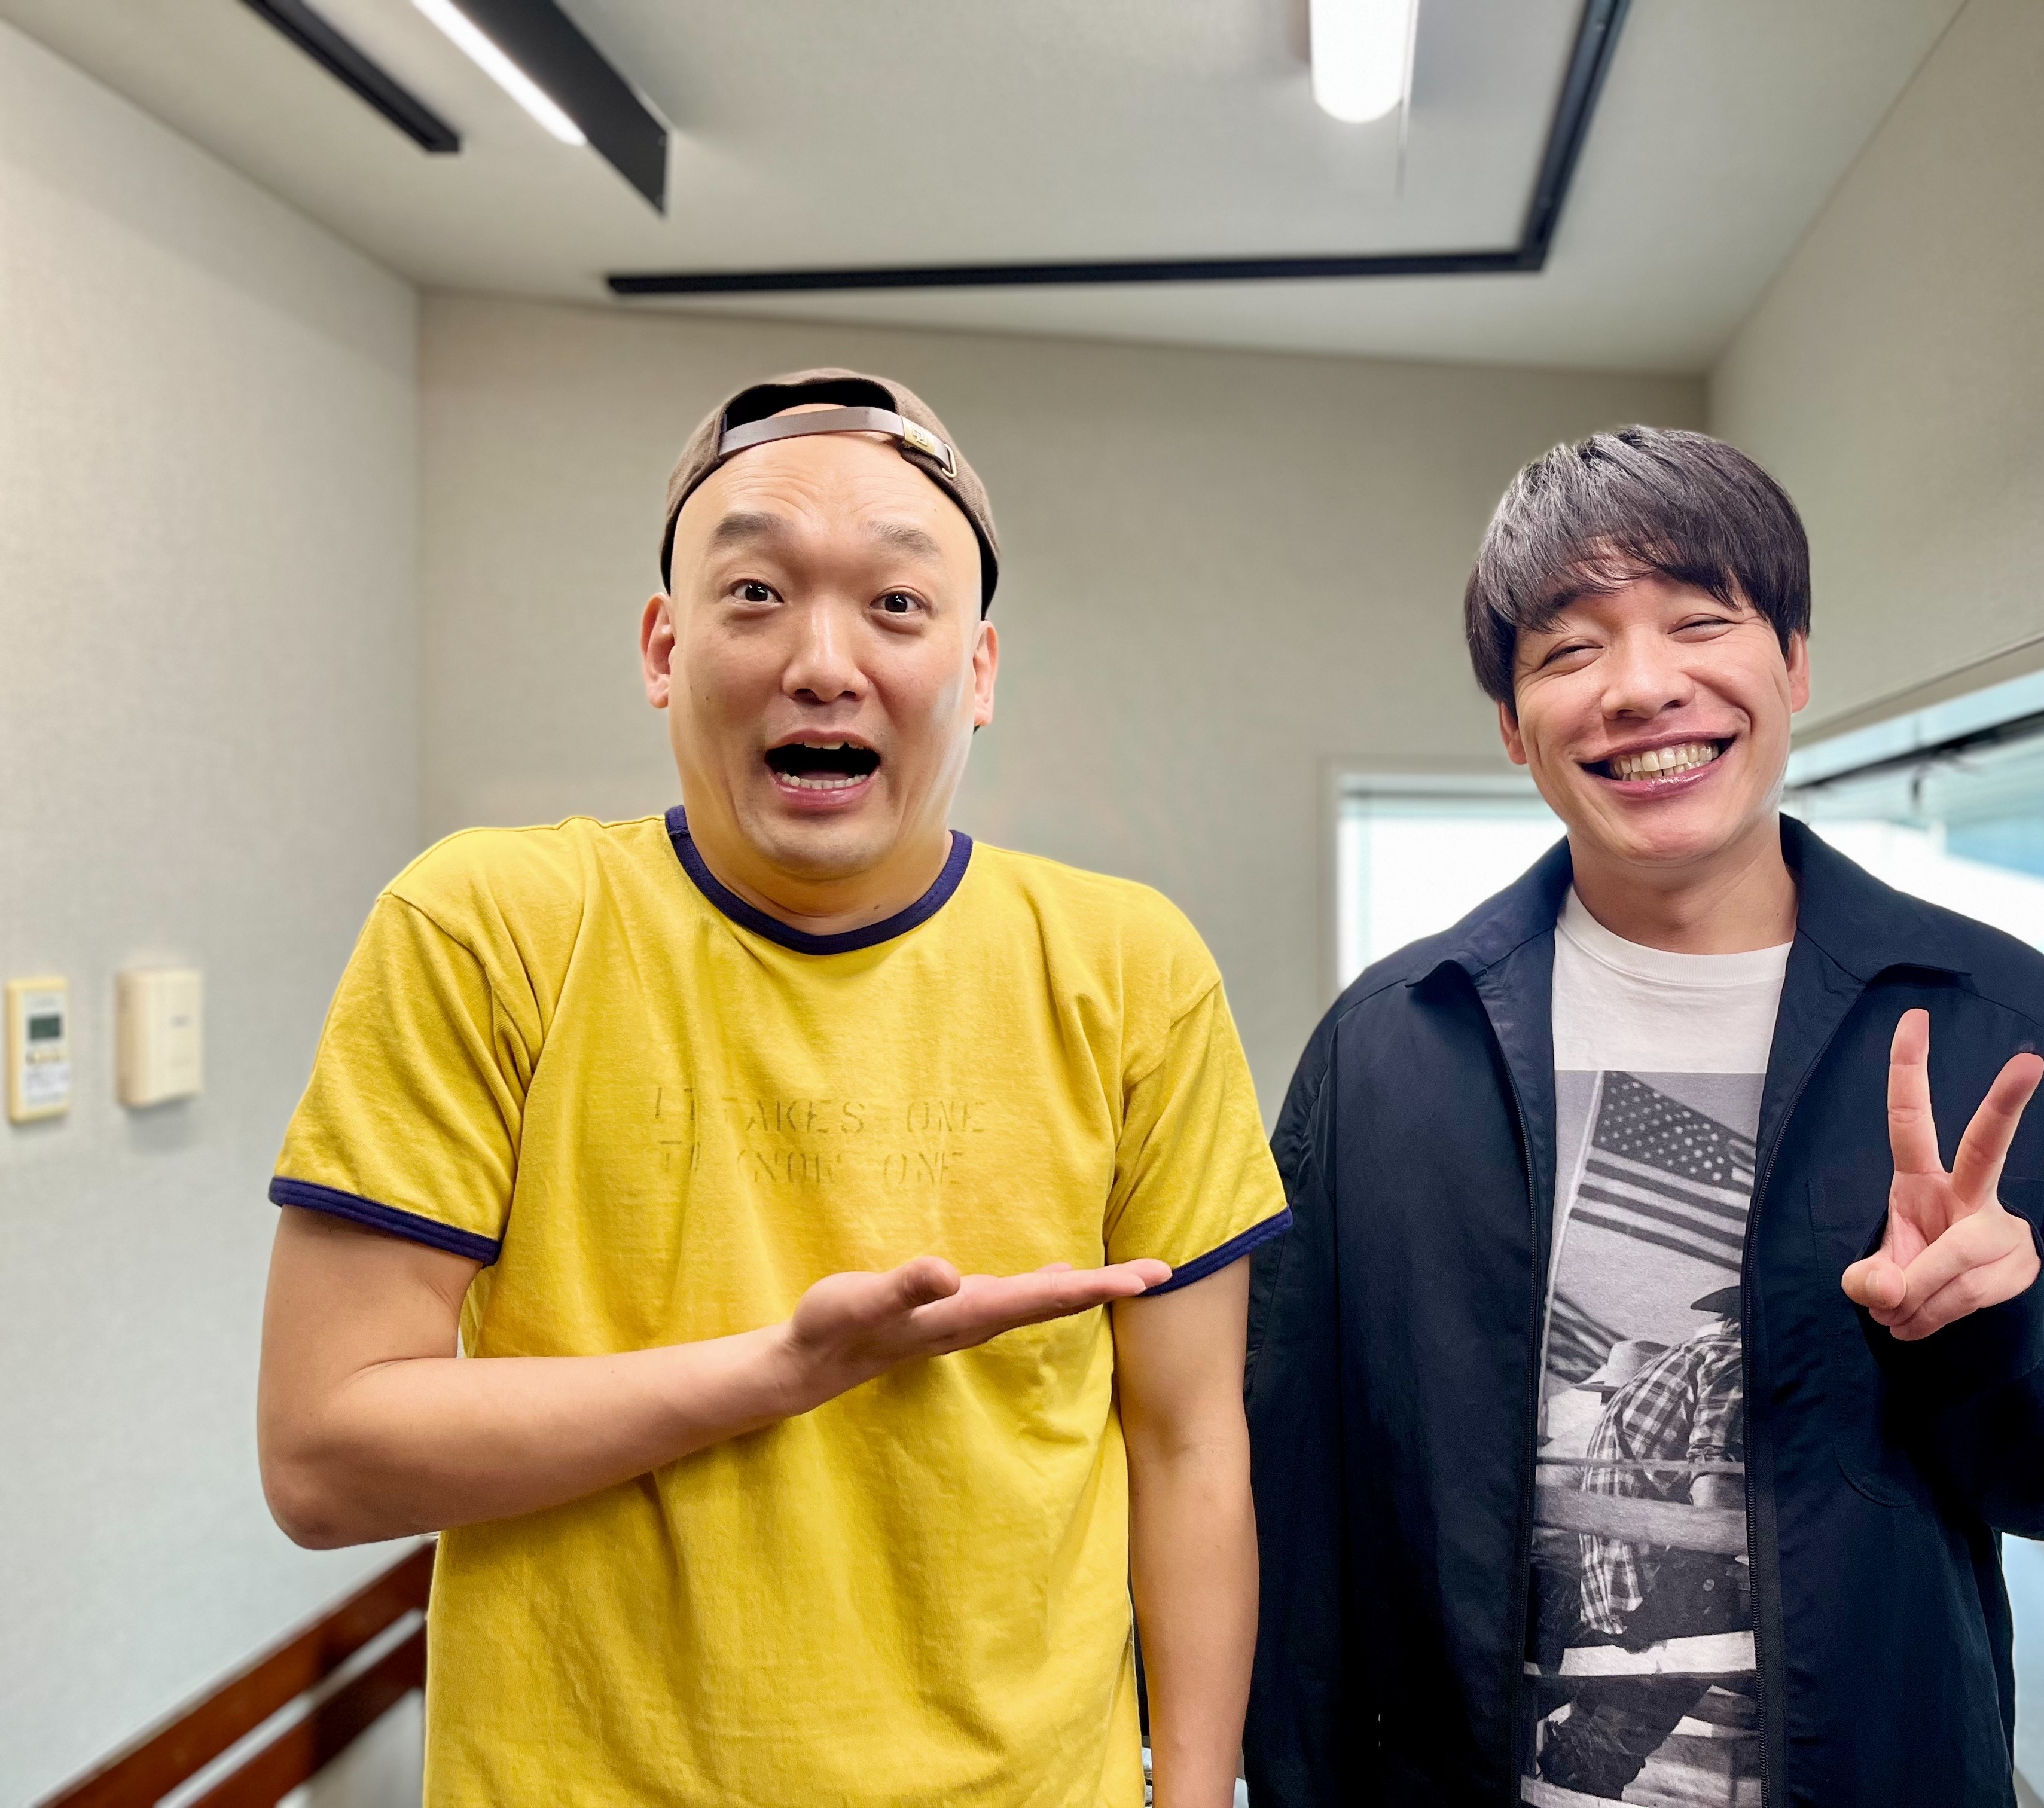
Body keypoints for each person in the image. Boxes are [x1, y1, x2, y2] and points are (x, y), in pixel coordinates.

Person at [257, 369, 1287, 1808]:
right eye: (755, 594)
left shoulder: (1129, 967)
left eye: (897, 604)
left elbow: (1189, 1443)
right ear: (664, 647)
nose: (821, 662)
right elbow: (323, 1461)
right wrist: (780, 1375)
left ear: (980, 672)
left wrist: (1194, 1793)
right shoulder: (491, 927)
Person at [1242, 427, 2044, 1806]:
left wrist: (2003, 1338)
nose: (1641, 686)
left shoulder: (1999, 1026)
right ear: (1513, 728)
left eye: (1698, 622)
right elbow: (1288, 1498)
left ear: (1793, 663)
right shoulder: (1389, 1050)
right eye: (1570, 650)